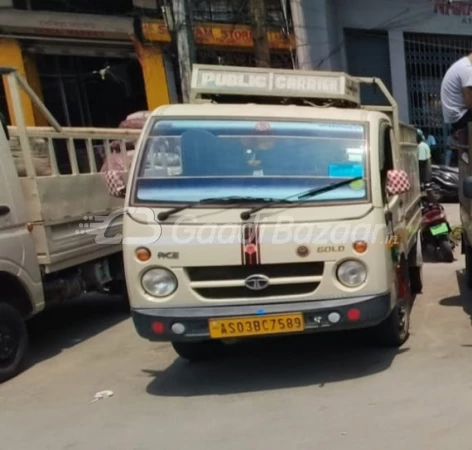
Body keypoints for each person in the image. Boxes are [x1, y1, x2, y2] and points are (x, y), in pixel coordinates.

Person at [440, 52, 472, 139]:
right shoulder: (468, 69)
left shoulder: (462, 64)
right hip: (460, 116)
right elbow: (470, 103)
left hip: (455, 116)